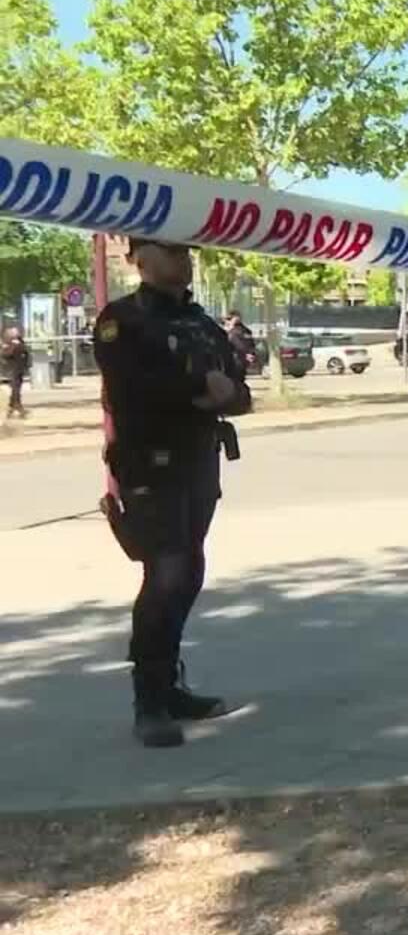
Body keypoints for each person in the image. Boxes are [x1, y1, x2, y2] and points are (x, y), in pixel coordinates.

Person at [95, 238, 250, 749]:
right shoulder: (122, 320)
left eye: (186, 252)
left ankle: (170, 685)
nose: (182, 261)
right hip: (148, 464)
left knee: (189, 571)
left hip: (197, 460)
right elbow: (132, 390)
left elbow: (238, 385)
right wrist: (202, 392)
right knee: (167, 572)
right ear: (139, 259)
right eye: (170, 251)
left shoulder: (200, 322)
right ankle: (149, 702)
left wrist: (222, 393)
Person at [2, 326, 30, 418]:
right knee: (15, 388)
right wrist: (13, 346)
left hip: (19, 368)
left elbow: (25, 353)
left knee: (16, 388)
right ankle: (17, 406)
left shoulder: (20, 342)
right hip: (13, 369)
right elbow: (6, 355)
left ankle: (13, 406)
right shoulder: (9, 344)